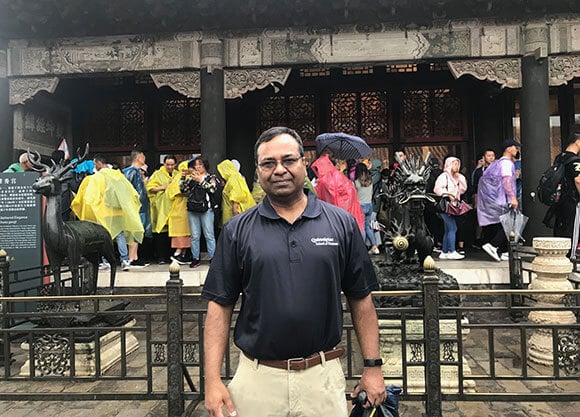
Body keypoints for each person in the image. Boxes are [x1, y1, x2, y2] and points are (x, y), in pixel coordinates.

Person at [202, 126, 385, 417]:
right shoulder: (238, 230)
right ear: (258, 171)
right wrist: (211, 381)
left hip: (321, 377)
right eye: (268, 163)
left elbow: (361, 300)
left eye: (288, 160)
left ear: (303, 162)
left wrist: (373, 368)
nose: (279, 170)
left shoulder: (340, 224)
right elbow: (219, 307)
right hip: (258, 378)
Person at [71, 157, 143, 272]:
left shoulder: (98, 177)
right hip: (118, 212)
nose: (95, 167)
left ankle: (106, 261)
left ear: (99, 163)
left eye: (95, 164)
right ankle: (124, 260)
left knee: (105, 237)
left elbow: (92, 196)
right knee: (120, 235)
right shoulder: (118, 176)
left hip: (104, 212)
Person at [477, 139, 520, 262]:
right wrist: (512, 197)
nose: (517, 150)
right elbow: (506, 181)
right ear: (508, 149)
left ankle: (504, 251)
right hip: (503, 199)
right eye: (515, 147)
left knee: (500, 225)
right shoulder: (506, 163)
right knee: (509, 224)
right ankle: (493, 245)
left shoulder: (497, 163)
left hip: (493, 200)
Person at [180, 156, 221, 268]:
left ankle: (213, 258)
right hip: (192, 209)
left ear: (205, 166)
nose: (197, 167)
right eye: (195, 165)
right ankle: (195, 258)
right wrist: (183, 178)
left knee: (209, 235)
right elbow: (183, 190)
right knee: (195, 236)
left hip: (206, 209)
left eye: (200, 165)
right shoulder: (191, 178)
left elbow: (213, 190)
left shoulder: (211, 177)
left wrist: (201, 181)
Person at [310, 154, 365, 232]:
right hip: (338, 212)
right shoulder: (332, 176)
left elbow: (329, 193)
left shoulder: (331, 178)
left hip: (339, 212)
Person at [434, 156, 467, 260]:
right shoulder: (443, 176)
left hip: (454, 206)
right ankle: (451, 250)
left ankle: (444, 251)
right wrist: (448, 194)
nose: (457, 166)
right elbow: (437, 189)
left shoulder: (456, 177)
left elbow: (463, 189)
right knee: (452, 228)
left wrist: (460, 177)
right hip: (446, 205)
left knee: (448, 229)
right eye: (455, 164)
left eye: (458, 164)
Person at [146, 155, 177, 264]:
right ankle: (161, 257)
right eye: (167, 164)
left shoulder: (177, 174)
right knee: (160, 233)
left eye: (172, 165)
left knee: (172, 233)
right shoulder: (157, 174)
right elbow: (150, 188)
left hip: (173, 207)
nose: (170, 167)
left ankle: (170, 256)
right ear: (164, 164)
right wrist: (164, 187)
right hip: (160, 207)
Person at [123, 150, 152, 266]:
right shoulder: (132, 172)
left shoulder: (131, 172)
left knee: (136, 232)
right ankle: (132, 257)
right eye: (143, 157)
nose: (144, 159)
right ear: (139, 158)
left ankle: (134, 256)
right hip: (136, 208)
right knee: (135, 231)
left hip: (137, 207)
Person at [553, 128, 580, 245]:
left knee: (561, 227)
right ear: (577, 142)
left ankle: (560, 253)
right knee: (573, 228)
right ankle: (572, 256)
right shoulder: (575, 160)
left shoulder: (559, 157)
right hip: (572, 199)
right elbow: (578, 180)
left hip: (559, 199)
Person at [216, 159, 256, 226]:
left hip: (235, 211)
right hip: (231, 211)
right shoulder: (233, 177)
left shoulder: (233, 178)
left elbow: (237, 194)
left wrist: (235, 209)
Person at [354, 163, 379, 255]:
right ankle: (374, 246)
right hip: (369, 205)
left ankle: (362, 248)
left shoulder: (355, 182)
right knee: (368, 227)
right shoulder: (370, 182)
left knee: (362, 228)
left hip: (360, 206)